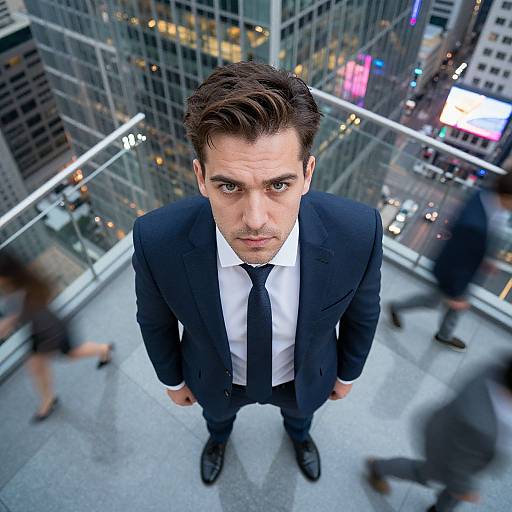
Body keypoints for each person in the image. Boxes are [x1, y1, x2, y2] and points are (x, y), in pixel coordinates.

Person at [132, 61, 382, 485]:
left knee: (301, 418)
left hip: (305, 378)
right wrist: (173, 381)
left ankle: (299, 435)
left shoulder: (358, 232)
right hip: (214, 380)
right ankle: (218, 438)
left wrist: (347, 374)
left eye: (278, 185)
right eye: (229, 186)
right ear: (201, 177)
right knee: (217, 418)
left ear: (307, 174)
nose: (254, 220)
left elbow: (363, 312)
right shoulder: (157, 239)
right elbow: (155, 320)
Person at [389, 166, 512, 351]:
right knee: (438, 301)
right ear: (507, 197)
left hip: (462, 269)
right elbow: (458, 257)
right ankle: (401, 309)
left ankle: (442, 333)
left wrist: (485, 258)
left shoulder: (485, 198)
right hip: (455, 273)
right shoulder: (474, 225)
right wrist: (454, 292)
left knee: (440, 302)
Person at [366, 357, 512, 512]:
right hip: (447, 453)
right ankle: (378, 467)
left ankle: (440, 508)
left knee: (454, 489)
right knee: (422, 474)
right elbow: (460, 465)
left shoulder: (494, 373)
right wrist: (464, 489)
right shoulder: (479, 423)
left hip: (459, 445)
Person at [0, 251, 114, 422]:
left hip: (51, 330)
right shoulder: (18, 285)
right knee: (36, 366)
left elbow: (15, 318)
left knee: (72, 353)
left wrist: (8, 323)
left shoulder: (23, 290)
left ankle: (103, 349)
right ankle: (48, 400)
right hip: (39, 331)